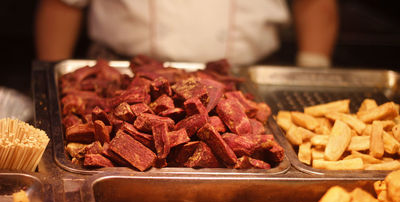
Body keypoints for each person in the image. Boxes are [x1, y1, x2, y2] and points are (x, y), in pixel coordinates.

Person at [35, 0, 338, 67]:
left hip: (245, 79)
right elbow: (63, 4)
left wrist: (313, 70)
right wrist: (49, 76)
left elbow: (314, 3)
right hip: (118, 74)